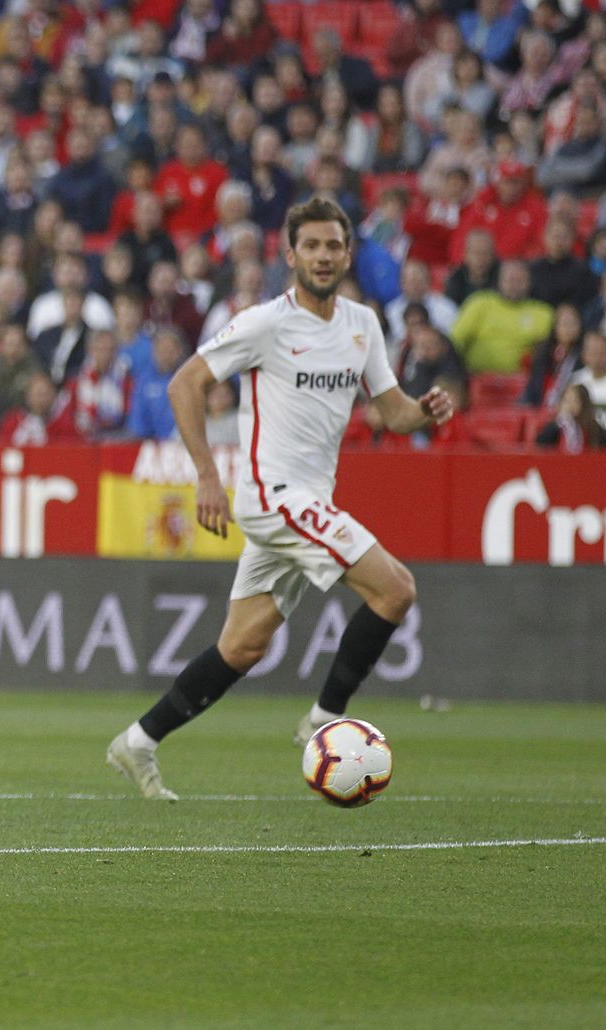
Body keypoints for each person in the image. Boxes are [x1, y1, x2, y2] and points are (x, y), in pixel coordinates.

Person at [105, 198, 454, 801]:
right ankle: (325, 719)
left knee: (242, 645)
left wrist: (421, 412)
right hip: (274, 495)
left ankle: (138, 741)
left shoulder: (362, 325)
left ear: (349, 255)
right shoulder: (266, 323)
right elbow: (186, 382)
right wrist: (209, 479)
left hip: (308, 498)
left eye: (334, 246)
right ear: (290, 255)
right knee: (396, 588)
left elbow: (390, 409)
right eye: (311, 246)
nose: (323, 256)